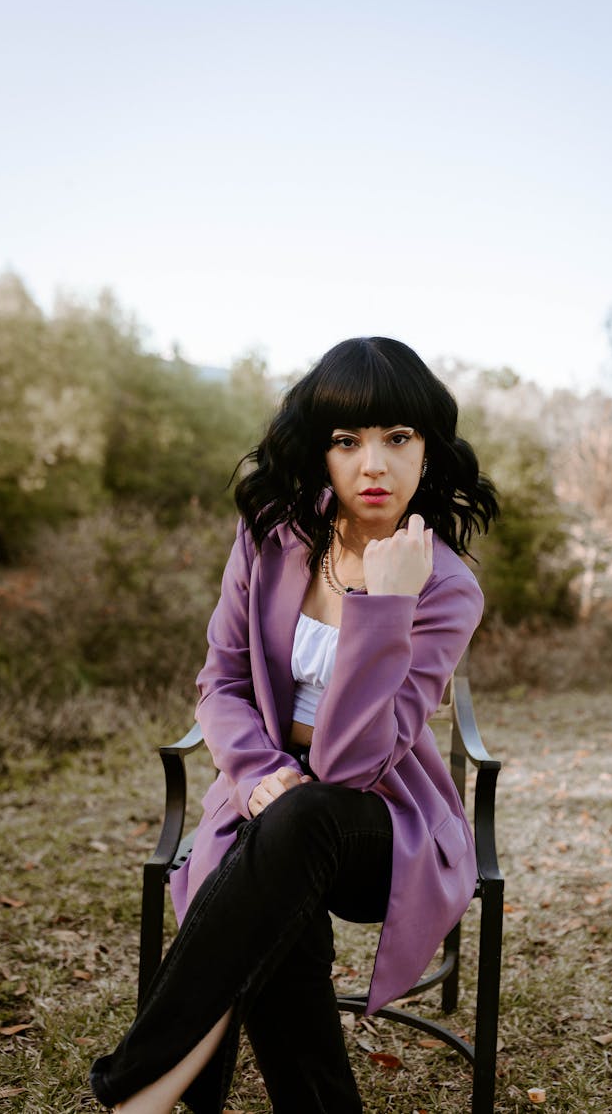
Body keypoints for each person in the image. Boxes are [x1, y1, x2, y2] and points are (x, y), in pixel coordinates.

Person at [90, 336, 498, 1113]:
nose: (372, 464)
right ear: (321, 450)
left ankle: (134, 1085)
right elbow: (222, 677)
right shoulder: (272, 537)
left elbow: (350, 765)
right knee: (282, 889)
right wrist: (248, 772)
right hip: (267, 795)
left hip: (381, 823)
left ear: (429, 450)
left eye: (398, 438)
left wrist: (384, 609)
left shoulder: (443, 586)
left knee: (304, 816)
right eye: (347, 440)